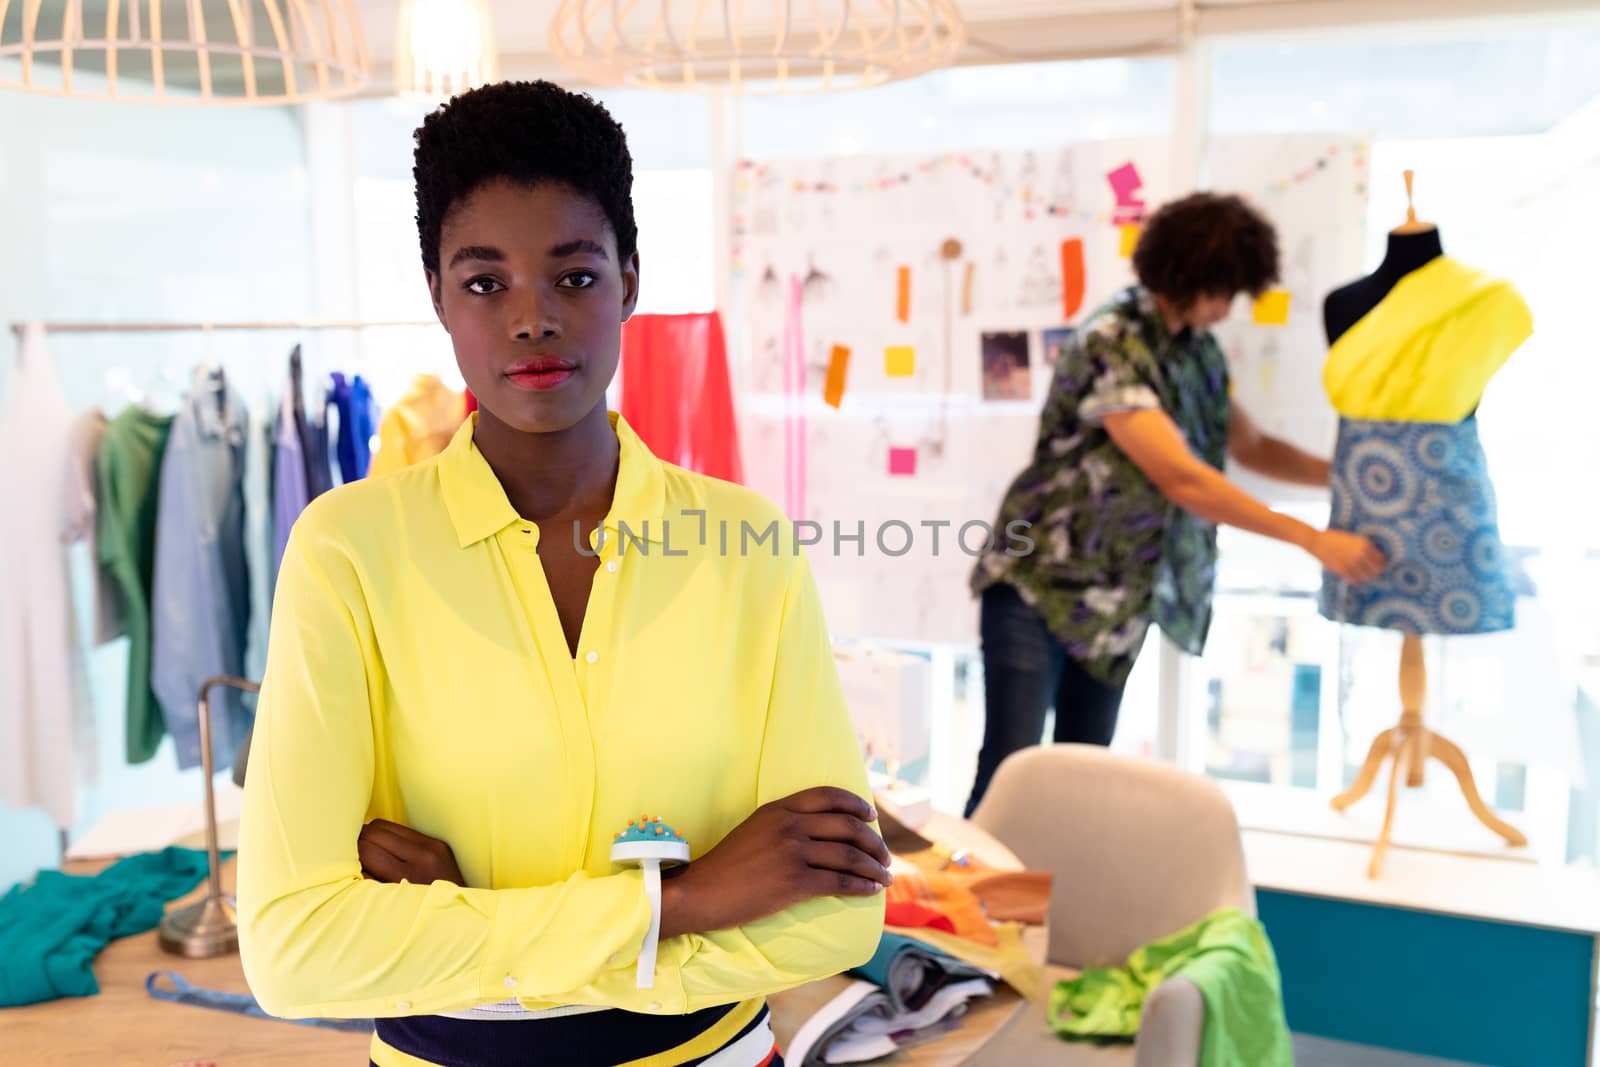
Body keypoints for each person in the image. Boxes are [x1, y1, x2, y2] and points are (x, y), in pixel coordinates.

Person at [237, 81, 889, 1067]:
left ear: (629, 278)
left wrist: (473, 927)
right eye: (485, 281)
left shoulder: (745, 544)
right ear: (437, 297)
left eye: (574, 276)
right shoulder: (347, 550)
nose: (533, 318)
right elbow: (293, 955)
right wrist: (687, 898)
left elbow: (835, 924)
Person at [964, 192, 1385, 816]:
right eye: (1226, 292)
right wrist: (1311, 540)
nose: (1228, 308)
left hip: (1116, 603)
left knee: (1081, 779)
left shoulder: (1197, 352)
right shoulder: (1112, 339)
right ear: (1195, 276)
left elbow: (1252, 445)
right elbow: (1182, 479)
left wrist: (1348, 478)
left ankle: (1049, 908)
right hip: (1037, 586)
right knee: (1011, 768)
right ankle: (958, 908)